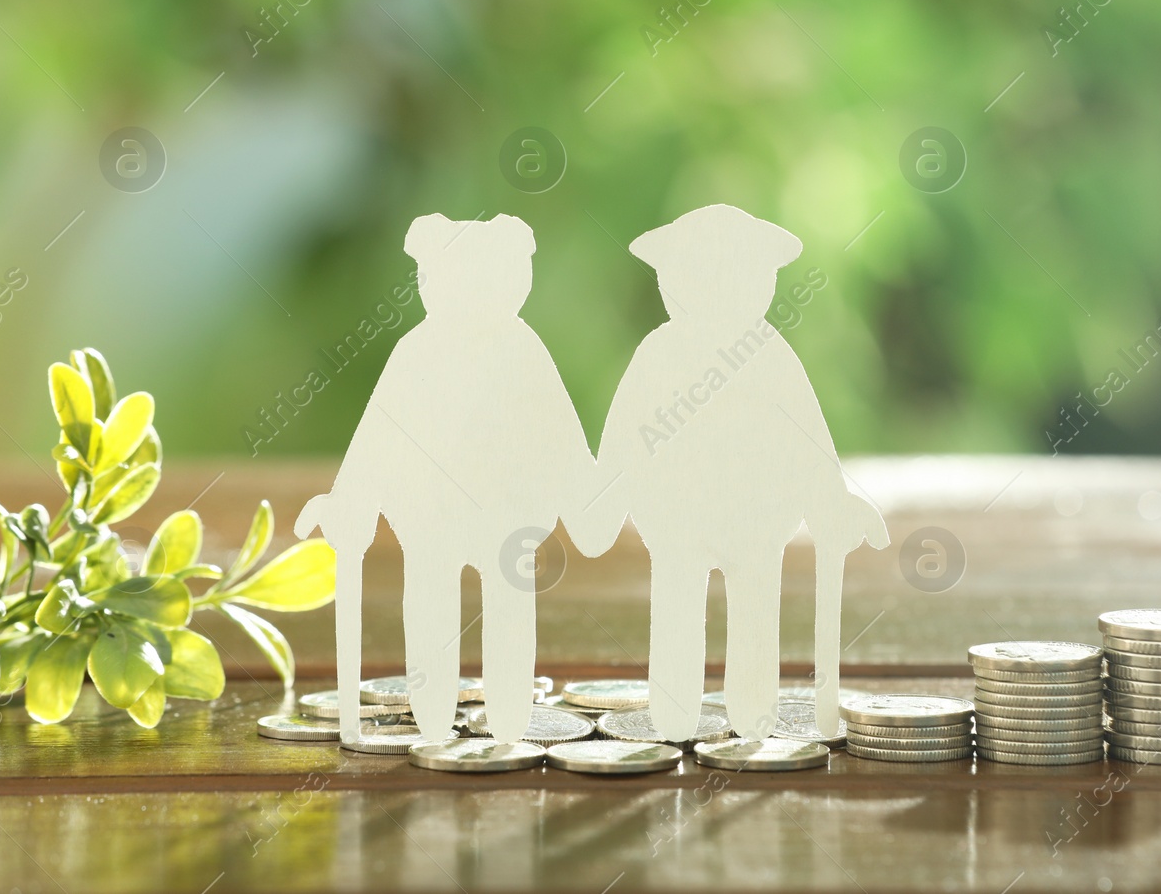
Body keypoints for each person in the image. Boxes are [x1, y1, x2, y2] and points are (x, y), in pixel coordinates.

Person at [567, 205, 889, 741]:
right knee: (676, 615)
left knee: (755, 616)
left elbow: (809, 445)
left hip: (757, 526)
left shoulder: (768, 356)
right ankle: (673, 721)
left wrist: (833, 502)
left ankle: (752, 721)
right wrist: (600, 504)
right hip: (675, 525)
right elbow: (625, 437)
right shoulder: (659, 353)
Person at [295, 213, 593, 744]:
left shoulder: (524, 351)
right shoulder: (416, 352)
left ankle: (507, 723)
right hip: (430, 520)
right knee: (432, 610)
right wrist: (349, 502)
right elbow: (378, 435)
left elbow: (561, 433)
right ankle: (433, 720)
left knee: (508, 611)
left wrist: (587, 499)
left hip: (509, 518)